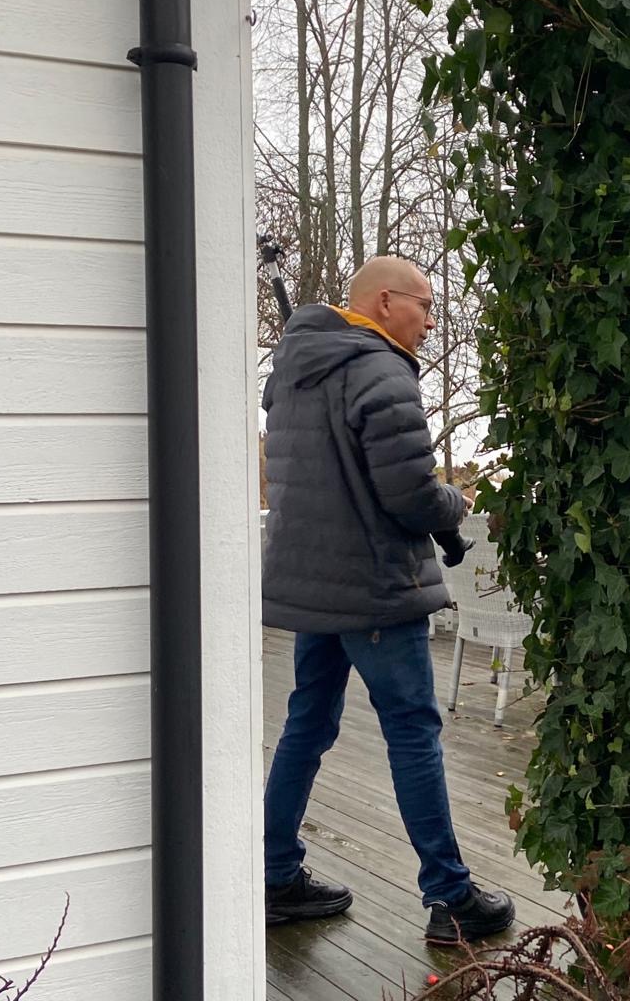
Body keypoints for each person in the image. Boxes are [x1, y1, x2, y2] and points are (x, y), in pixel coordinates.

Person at [260, 256, 515, 944]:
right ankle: (451, 897)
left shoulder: (293, 373)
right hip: (374, 588)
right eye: (424, 305)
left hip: (314, 587)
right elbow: (409, 496)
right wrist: (455, 502)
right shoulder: (379, 370)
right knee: (412, 731)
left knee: (307, 725)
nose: (430, 322)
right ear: (382, 302)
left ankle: (274, 875)